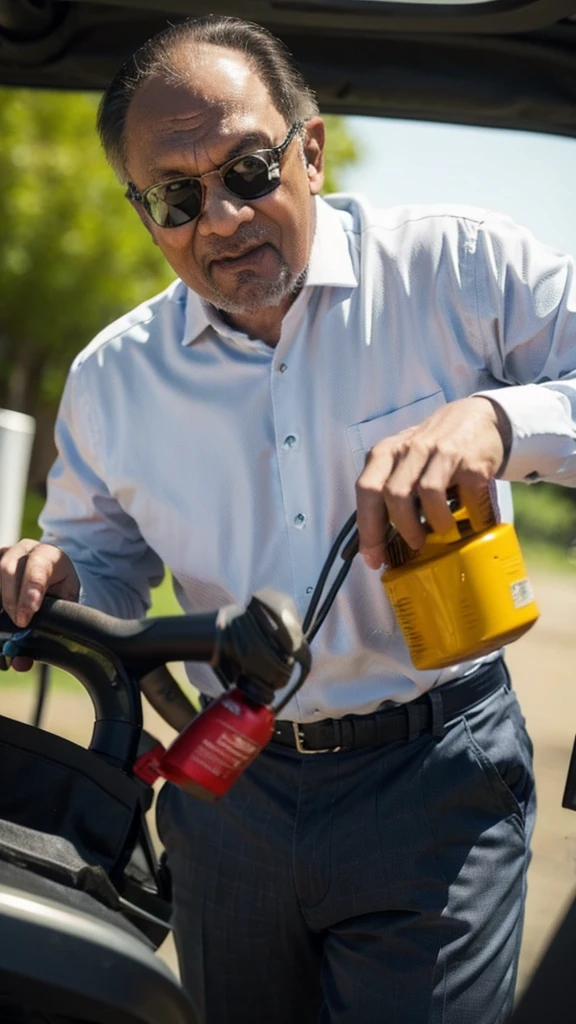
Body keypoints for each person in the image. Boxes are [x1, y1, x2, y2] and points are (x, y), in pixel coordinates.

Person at [1, 14, 575, 1024]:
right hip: (230, 798)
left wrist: (497, 419)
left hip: (438, 776)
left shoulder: (462, 269)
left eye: (248, 168)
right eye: (179, 196)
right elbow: (102, 560)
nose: (220, 216)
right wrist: (55, 577)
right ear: (145, 215)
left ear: (309, 149)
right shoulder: (112, 378)